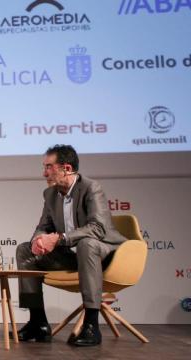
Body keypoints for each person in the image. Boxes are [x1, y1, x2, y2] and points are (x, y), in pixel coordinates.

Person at [16, 144, 127, 347]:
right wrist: (38, 240)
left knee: (87, 244)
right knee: (24, 250)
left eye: (49, 167)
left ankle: (91, 325)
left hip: (103, 252)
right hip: (71, 256)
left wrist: (58, 238)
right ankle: (37, 322)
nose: (44, 173)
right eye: (44, 167)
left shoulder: (91, 188)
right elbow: (43, 226)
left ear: (66, 168)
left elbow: (98, 228)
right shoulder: (49, 194)